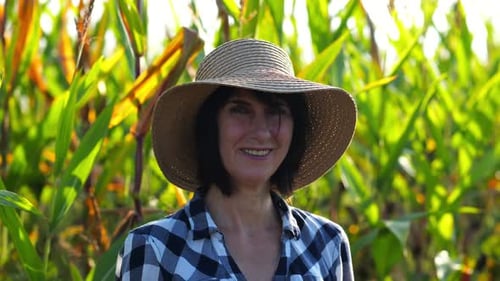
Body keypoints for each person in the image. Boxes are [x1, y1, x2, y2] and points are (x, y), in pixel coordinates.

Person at [116, 38, 357, 280]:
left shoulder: (327, 243)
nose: (262, 132)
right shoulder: (155, 248)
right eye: (240, 110)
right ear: (210, 125)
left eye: (276, 111)